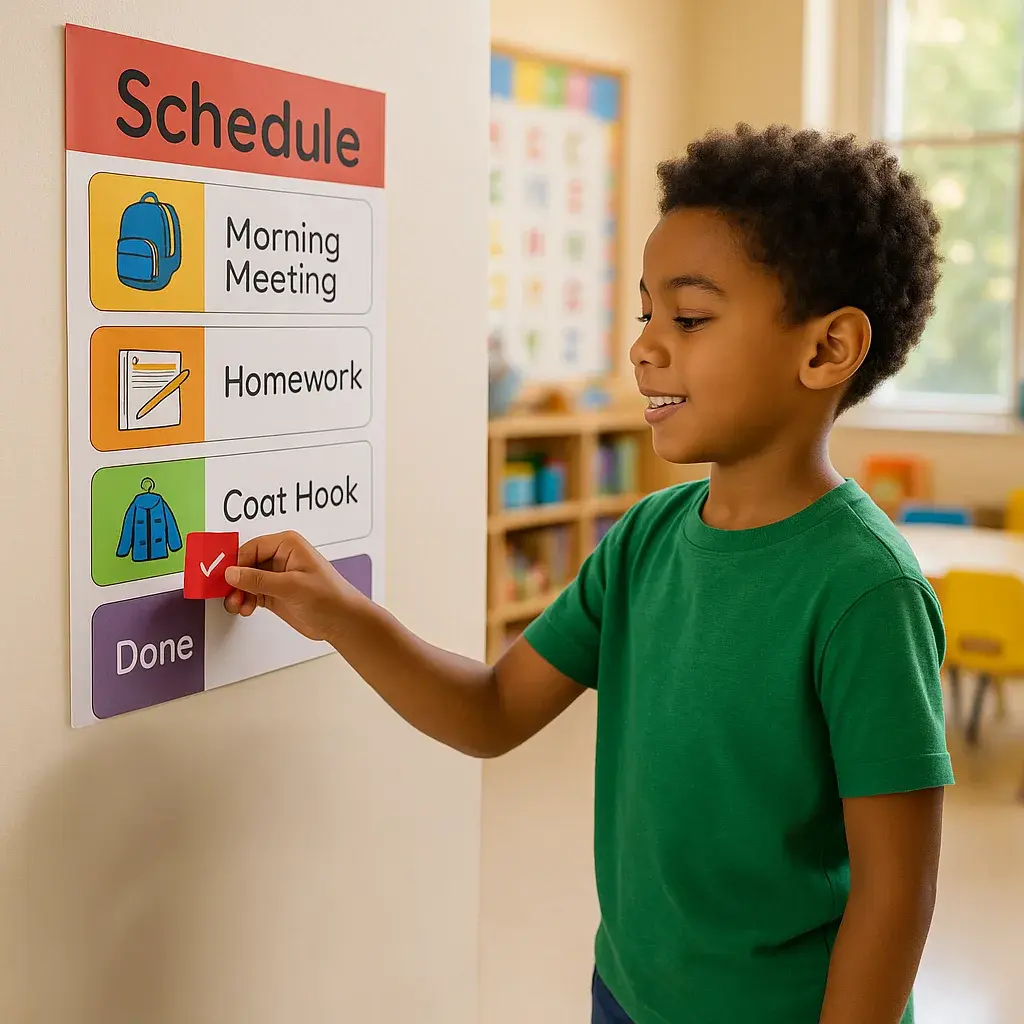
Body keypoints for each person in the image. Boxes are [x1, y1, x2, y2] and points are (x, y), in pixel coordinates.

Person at [224, 124, 953, 1024]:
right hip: (627, 997)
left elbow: (896, 894)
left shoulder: (865, 591)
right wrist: (341, 614)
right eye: (646, 313)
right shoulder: (642, 540)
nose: (644, 347)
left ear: (827, 350)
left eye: (688, 318)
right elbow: (491, 712)